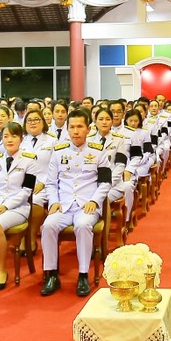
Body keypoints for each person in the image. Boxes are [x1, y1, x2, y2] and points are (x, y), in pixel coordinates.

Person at [40, 108, 112, 298]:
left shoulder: (98, 151)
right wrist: (53, 202)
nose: (76, 131)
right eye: (72, 127)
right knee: (48, 225)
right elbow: (50, 182)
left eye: (80, 126)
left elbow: (105, 182)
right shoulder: (58, 152)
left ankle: (82, 275)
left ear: (88, 129)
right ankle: (52, 274)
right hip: (63, 204)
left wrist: (95, 201)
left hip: (86, 205)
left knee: (82, 225)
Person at [0, 122, 38, 291]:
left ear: (21, 139)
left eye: (14, 136)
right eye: (5, 136)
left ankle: (2, 270)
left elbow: (26, 191)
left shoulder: (29, 160)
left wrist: (5, 206)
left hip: (17, 207)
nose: (9, 140)